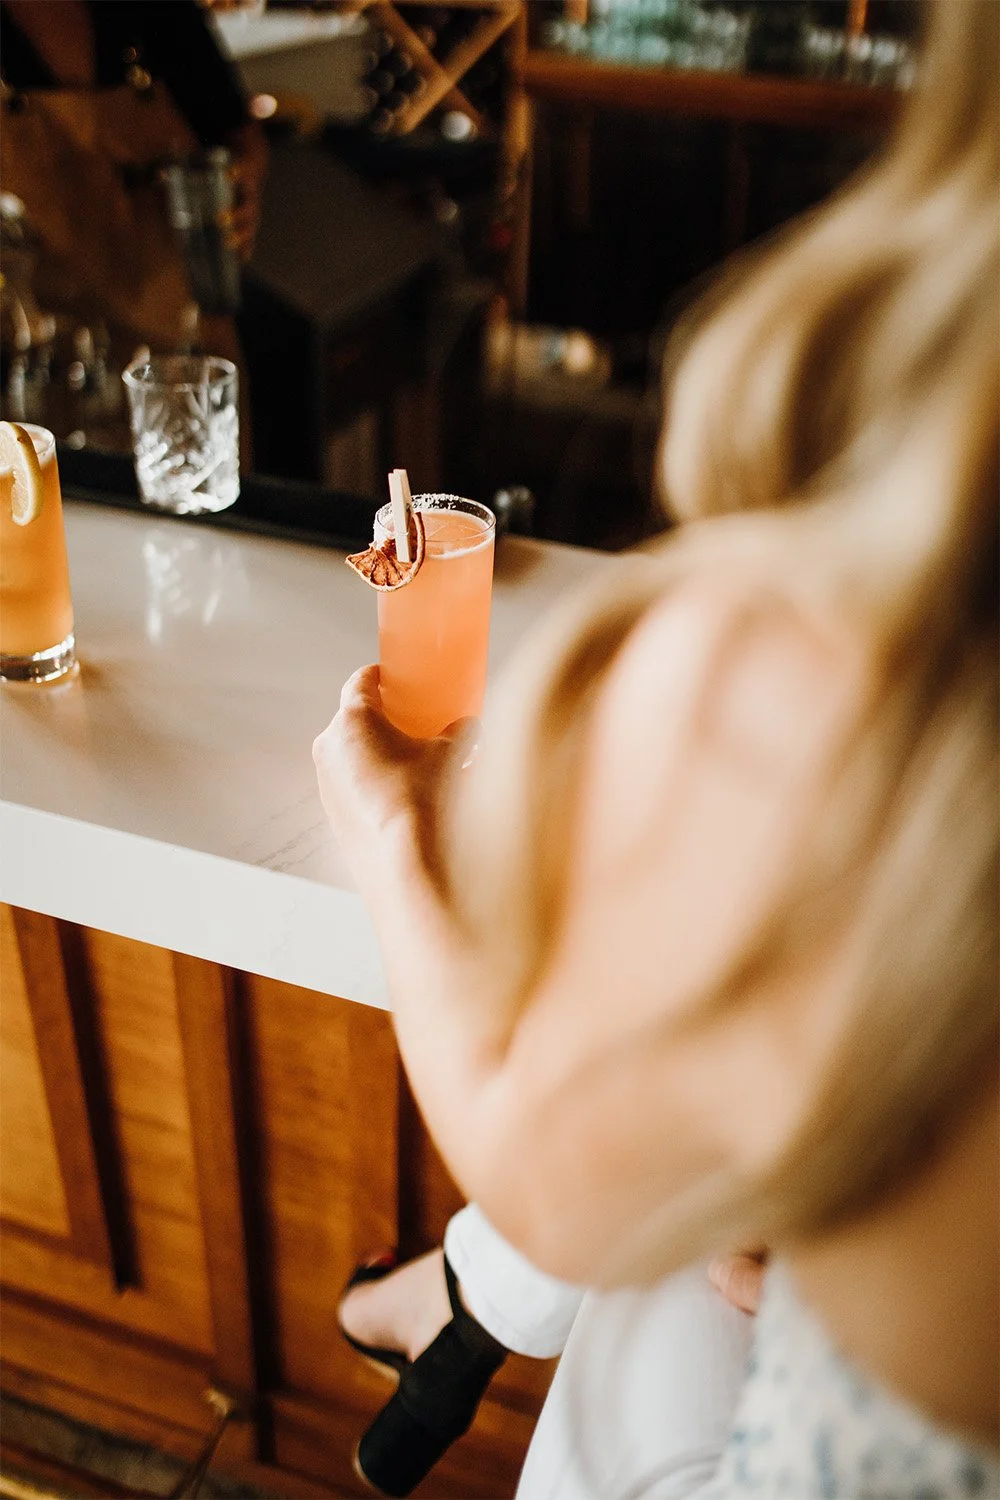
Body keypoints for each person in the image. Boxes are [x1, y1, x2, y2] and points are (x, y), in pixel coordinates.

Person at [314, 0, 999, 1493]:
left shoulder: (858, 690)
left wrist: (385, 839)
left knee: (630, 1233)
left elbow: (545, 1169)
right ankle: (446, 1304)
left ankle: (447, 1302)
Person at [0, 0, 266, 360]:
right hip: (38, 356)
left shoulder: (152, 9)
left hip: (179, 336)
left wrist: (239, 183)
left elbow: (241, 136)